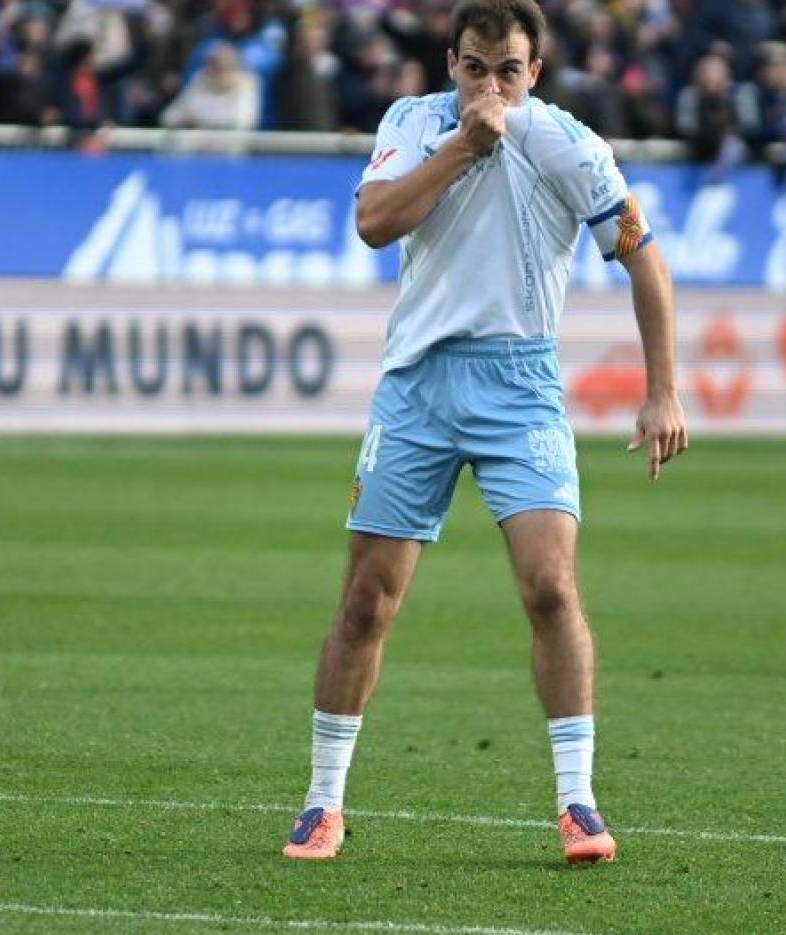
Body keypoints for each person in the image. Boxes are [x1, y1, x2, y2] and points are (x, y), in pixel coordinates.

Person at [280, 0, 687, 866]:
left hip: (521, 387)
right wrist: (465, 145)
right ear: (451, 63)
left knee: (551, 590)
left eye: (508, 69)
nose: (490, 85)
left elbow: (643, 252)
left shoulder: (567, 143)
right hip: (417, 387)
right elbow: (373, 222)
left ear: (534, 72)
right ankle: (322, 803)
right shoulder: (415, 123)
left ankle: (577, 802)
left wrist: (663, 391)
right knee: (367, 600)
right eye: (474, 67)